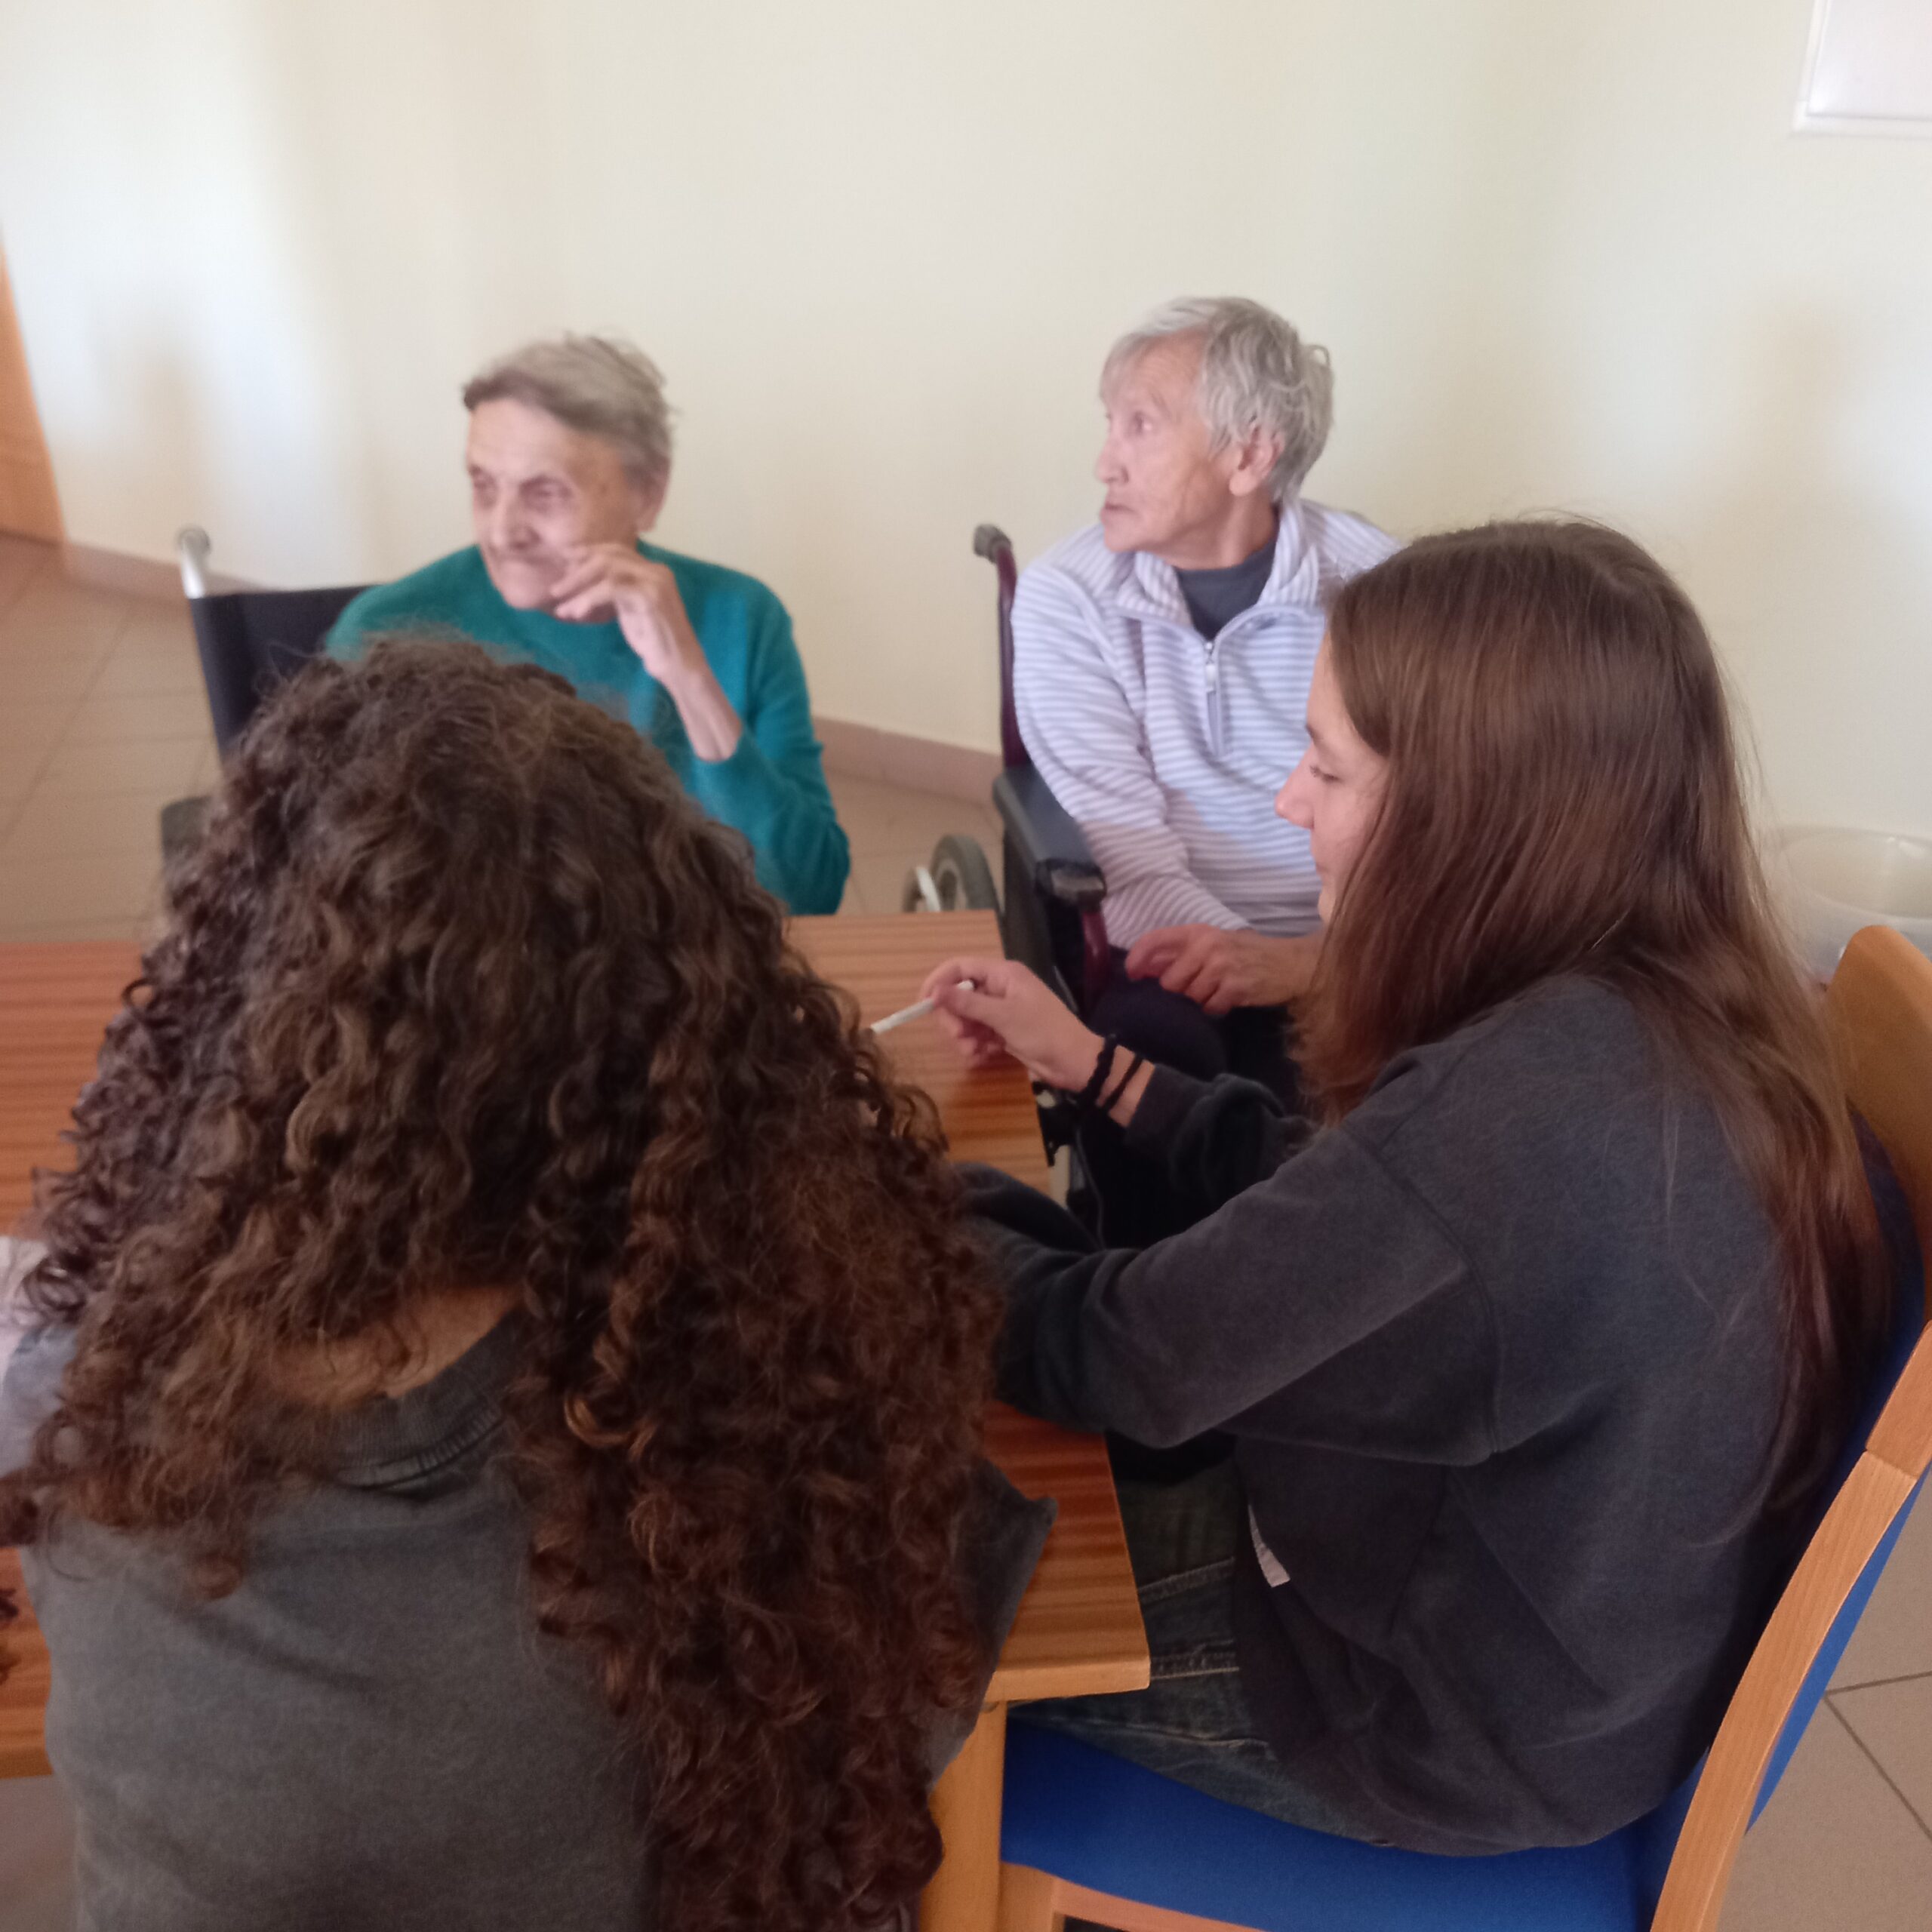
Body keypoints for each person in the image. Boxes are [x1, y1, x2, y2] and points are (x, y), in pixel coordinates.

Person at [0, 641, 1048, 1932]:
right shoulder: (774, 1456)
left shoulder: (75, 1414)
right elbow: (917, 1694)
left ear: (253, 1014)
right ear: (675, 1058)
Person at [921, 521, 1906, 1854]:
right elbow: (1357, 1208)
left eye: (1325, 766)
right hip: (1562, 1662)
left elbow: (1120, 1358)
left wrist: (900, 1211)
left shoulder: (1527, 1112)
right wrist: (1103, 1070)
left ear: (1470, 819)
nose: (1289, 802)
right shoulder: (1674, 998)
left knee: (874, 1599)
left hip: (1415, 1715)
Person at [1013, 297, 1397, 1096]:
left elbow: (1444, 819)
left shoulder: (1381, 589)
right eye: (1110, 424)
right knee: (1156, 1057)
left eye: (1141, 426)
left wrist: (1317, 962)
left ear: (1249, 454)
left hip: (1357, 938)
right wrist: (1252, 961)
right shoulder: (1067, 597)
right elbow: (1127, 856)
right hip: (1165, 933)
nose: (1105, 463)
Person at [326, 334, 850, 915]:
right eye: (483, 486)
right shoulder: (387, 632)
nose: (502, 532)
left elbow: (809, 892)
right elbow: (337, 883)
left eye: (545, 493)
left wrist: (688, 677)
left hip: (681, 951)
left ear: (648, 493)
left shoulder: (742, 618)